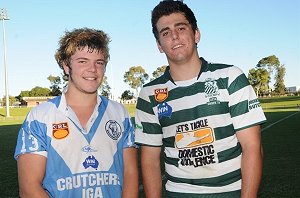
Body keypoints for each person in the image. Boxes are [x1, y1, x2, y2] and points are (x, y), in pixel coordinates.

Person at [135, 1, 266, 197]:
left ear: (196, 34)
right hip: (178, 193)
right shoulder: (149, 94)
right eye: (165, 32)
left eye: (181, 27)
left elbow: (253, 147)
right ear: (159, 46)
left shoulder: (230, 77)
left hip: (231, 191)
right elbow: (150, 160)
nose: (174, 36)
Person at [14, 28, 138, 198]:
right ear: (66, 66)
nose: (92, 69)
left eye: (99, 62)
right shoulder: (39, 117)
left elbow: (130, 175)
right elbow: (29, 188)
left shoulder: (119, 113)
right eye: (82, 61)